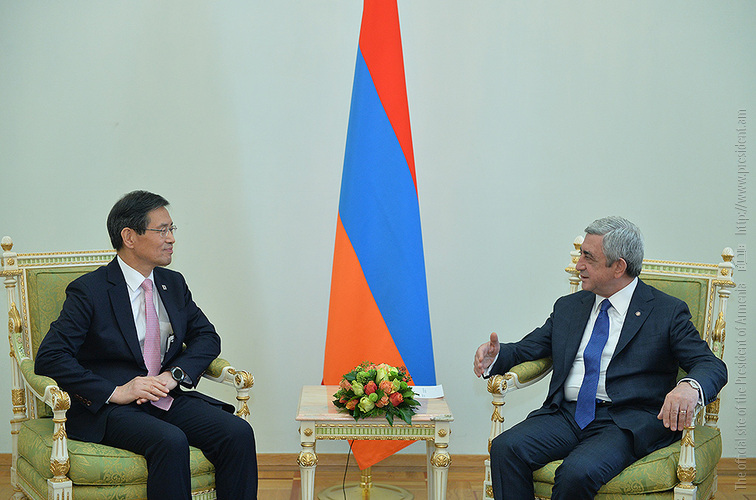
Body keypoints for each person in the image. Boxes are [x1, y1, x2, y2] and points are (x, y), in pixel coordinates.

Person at [473, 216, 727, 500]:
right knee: (506, 448)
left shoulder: (666, 311)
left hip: (625, 422)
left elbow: (710, 364)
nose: (578, 265)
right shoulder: (570, 306)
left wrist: (689, 386)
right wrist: (496, 355)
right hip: (566, 414)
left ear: (619, 267)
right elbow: (529, 348)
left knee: (576, 472)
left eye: (588, 257)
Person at [35, 190, 258, 500]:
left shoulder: (172, 283)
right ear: (129, 236)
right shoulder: (90, 290)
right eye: (162, 230)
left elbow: (207, 337)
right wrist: (117, 391)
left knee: (238, 432)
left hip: (163, 396)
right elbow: (50, 356)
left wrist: (175, 375)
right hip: (112, 408)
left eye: (172, 229)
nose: (171, 239)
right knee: (170, 440)